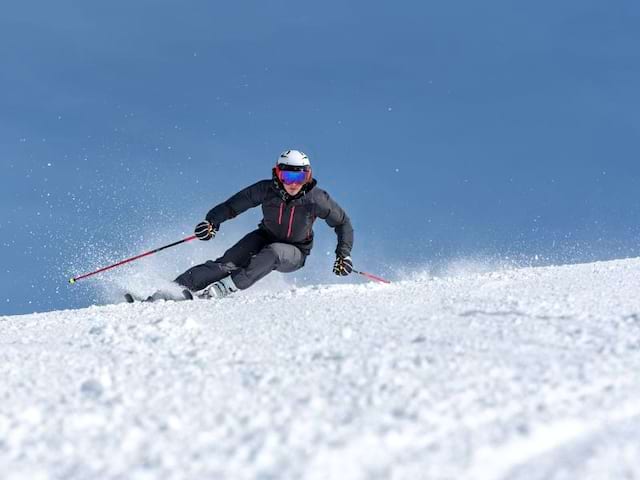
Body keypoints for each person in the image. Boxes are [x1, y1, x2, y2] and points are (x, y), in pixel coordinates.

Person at [151, 150, 354, 301]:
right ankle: (171, 291)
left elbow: (343, 223)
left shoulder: (316, 199)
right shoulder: (266, 190)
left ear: (307, 176)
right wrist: (211, 222)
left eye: (299, 177)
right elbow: (233, 206)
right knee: (225, 264)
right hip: (264, 236)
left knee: (274, 252)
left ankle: (223, 289)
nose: (293, 184)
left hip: (296, 251)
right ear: (278, 174)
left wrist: (343, 255)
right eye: (287, 177)